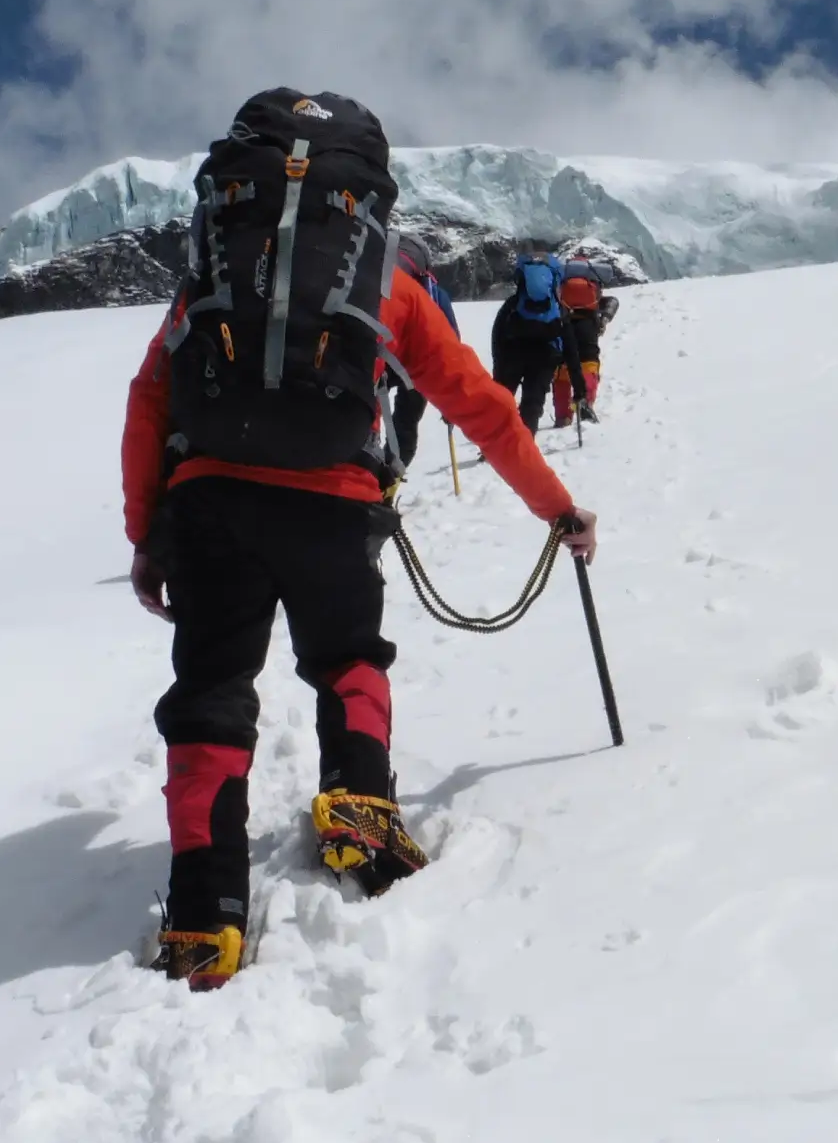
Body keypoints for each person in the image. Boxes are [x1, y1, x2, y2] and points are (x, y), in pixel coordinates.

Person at [122, 88, 598, 992]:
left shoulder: (210, 273)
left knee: (211, 690)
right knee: (348, 658)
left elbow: (150, 402)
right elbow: (484, 411)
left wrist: (148, 533)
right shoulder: (388, 279)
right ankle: (360, 808)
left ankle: (203, 911)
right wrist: (556, 507)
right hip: (336, 502)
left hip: (210, 501)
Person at [491, 253, 617, 431]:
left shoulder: (513, 305)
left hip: (513, 353)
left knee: (502, 397)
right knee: (532, 405)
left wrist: (498, 369)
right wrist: (580, 389)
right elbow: (571, 349)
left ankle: (493, 443)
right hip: (547, 354)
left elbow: (498, 335)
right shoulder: (557, 308)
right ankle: (527, 448)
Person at [385, 241, 459, 465]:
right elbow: (452, 343)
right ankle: (390, 483)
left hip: (379, 357)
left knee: (363, 420)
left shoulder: (375, 279)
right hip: (418, 363)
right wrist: (451, 401)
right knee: (405, 424)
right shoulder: (435, 293)